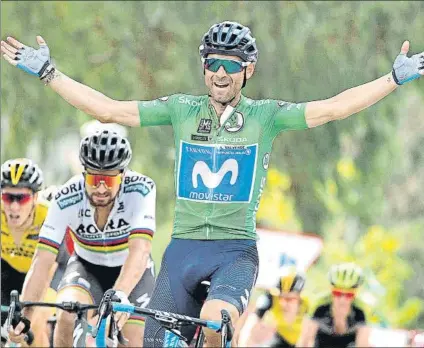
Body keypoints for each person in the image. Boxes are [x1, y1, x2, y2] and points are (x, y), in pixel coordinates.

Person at [1, 20, 422, 346]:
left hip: (233, 252)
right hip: (183, 249)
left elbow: (333, 109)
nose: (220, 73)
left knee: (214, 326)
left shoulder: (266, 117)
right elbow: (109, 110)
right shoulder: (182, 110)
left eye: (231, 65)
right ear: (203, 67)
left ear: (247, 70)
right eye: (212, 64)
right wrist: (49, 73)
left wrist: (392, 80)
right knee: (145, 340)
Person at [7, 130, 156, 347]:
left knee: (133, 339)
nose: (101, 188)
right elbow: (43, 260)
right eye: (94, 179)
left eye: (109, 180)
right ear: (84, 173)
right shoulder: (67, 196)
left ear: (123, 176)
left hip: (131, 270)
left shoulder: (141, 189)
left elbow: (140, 249)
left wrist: (121, 294)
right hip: (87, 266)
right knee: (66, 313)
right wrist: (25, 312)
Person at [1, 158, 69, 347]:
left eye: (21, 198)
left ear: (36, 198)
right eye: (8, 198)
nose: (14, 207)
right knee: (5, 330)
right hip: (11, 270)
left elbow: (44, 271)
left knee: (33, 324)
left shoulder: (48, 216)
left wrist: (28, 313)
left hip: (51, 271)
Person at [296, 263, 371, 348]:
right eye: (337, 293)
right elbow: (305, 340)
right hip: (322, 342)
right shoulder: (320, 304)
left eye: (349, 295)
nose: (342, 300)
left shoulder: (361, 309)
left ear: (355, 293)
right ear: (331, 290)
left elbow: (363, 343)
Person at [238, 266, 309, 348]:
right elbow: (250, 325)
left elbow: (309, 337)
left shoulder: (307, 304)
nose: (284, 303)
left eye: (290, 299)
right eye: (281, 297)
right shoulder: (270, 298)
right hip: (279, 338)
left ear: (300, 296)